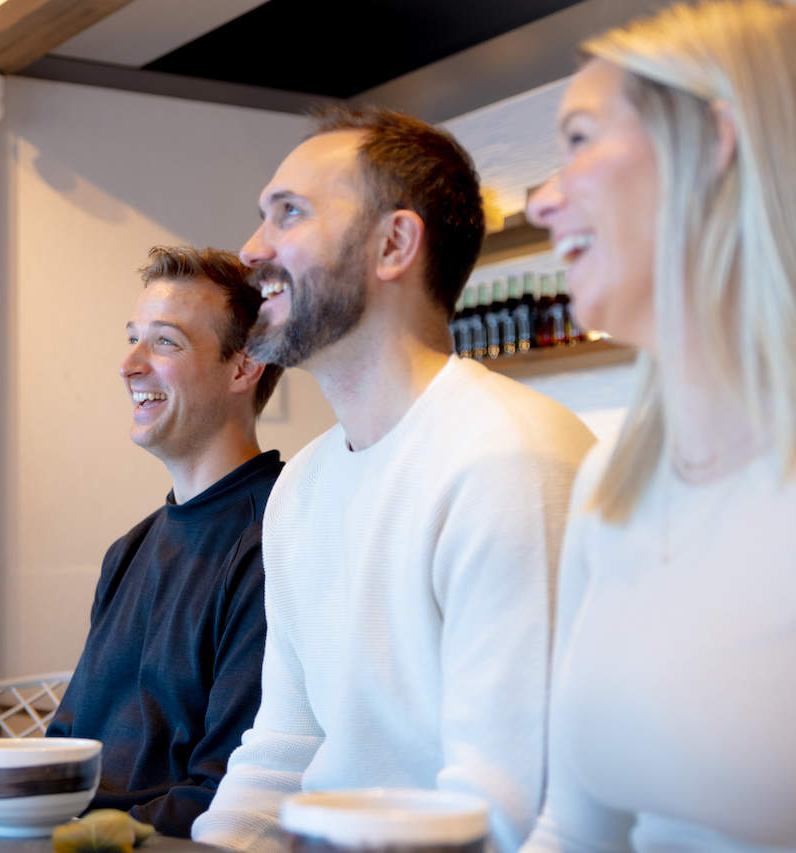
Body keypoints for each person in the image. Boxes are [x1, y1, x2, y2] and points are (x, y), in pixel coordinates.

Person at [520, 1, 796, 850]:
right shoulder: (613, 481)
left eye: (579, 140)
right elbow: (576, 829)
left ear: (714, 143)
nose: (542, 202)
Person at [192, 107, 595, 853]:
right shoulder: (301, 486)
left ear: (394, 245)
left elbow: (510, 808)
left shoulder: (509, 459)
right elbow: (282, 749)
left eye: (289, 213)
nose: (251, 249)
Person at [47, 246, 285, 837]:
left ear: (243, 367)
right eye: (133, 338)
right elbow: (63, 748)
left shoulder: (281, 538)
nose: (128, 365)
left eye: (164, 343)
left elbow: (226, 790)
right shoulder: (128, 550)